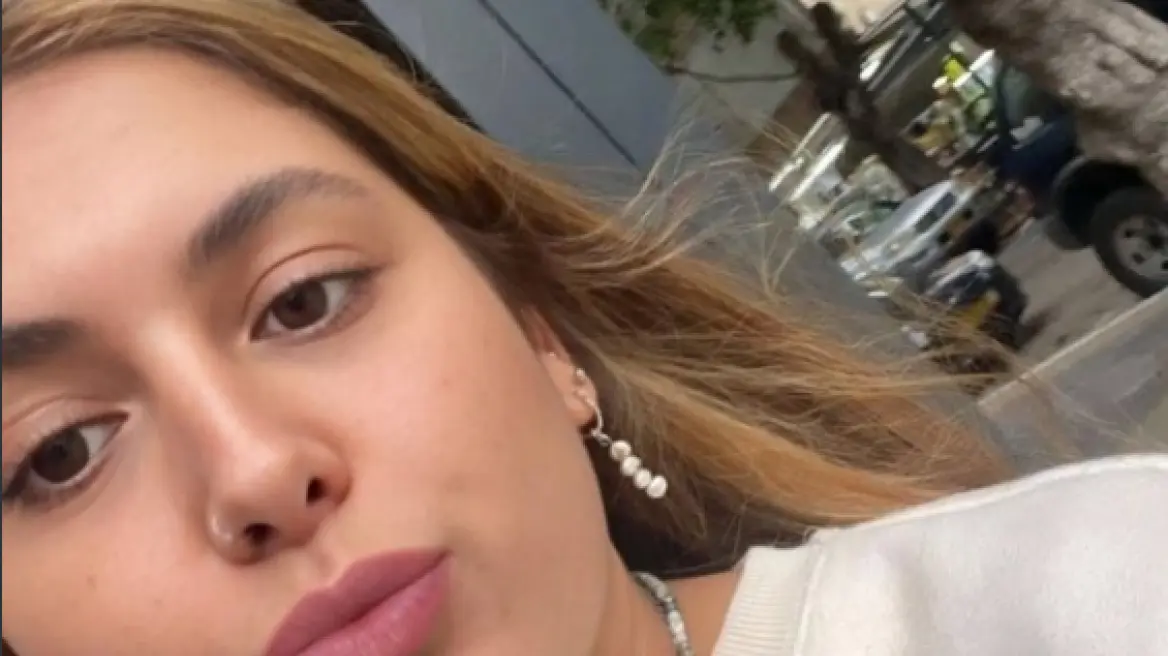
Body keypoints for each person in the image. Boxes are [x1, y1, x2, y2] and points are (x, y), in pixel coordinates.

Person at [2, 1, 1165, 655]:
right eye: (56, 451)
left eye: (306, 297)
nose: (257, 469)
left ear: (543, 337)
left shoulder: (1091, 597)